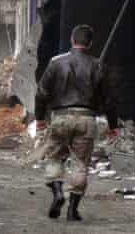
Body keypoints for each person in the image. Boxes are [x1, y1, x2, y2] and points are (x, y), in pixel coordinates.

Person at [35, 24, 118, 221]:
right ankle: (73, 210)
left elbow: (41, 93)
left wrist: (39, 119)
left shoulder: (56, 63)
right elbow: (109, 100)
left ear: (72, 40)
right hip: (87, 119)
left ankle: (57, 192)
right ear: (90, 43)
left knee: (55, 158)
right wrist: (113, 126)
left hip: (60, 118)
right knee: (80, 164)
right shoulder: (98, 65)